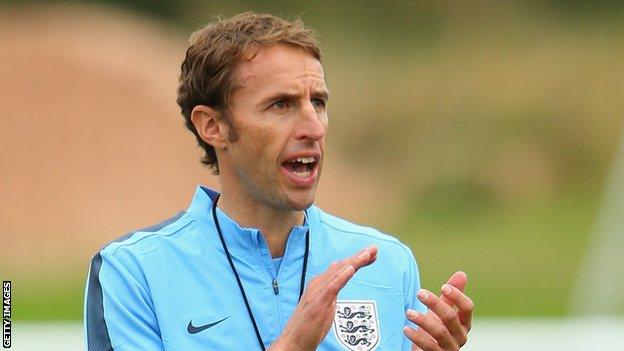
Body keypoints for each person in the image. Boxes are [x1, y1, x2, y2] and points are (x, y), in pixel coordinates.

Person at [84, 12, 473, 351]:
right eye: (281, 104)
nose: (313, 128)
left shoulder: (388, 265)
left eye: (318, 103)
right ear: (213, 126)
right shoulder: (133, 272)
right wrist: (293, 345)